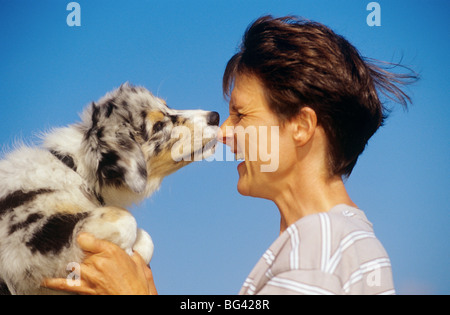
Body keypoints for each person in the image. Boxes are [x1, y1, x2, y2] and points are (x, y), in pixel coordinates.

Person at [43, 15, 416, 295]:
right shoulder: (347, 242)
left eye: (241, 114)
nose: (224, 132)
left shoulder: (316, 240)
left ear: (301, 126)